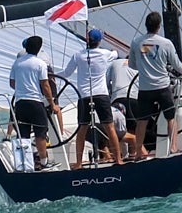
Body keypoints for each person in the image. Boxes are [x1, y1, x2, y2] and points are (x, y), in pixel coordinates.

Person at [63, 26, 121, 165]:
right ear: (99, 41)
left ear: (87, 40)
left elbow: (66, 73)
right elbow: (116, 53)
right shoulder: (105, 54)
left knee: (82, 129)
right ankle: (118, 159)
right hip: (101, 95)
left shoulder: (78, 55)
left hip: (84, 96)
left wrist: (50, 76)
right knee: (109, 126)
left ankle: (78, 163)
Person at [130, 11, 180, 158]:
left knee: (142, 121)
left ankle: (139, 151)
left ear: (146, 25)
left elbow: (132, 65)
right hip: (163, 87)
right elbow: (177, 65)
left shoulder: (136, 42)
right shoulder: (166, 43)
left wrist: (146, 67)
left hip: (145, 89)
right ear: (159, 26)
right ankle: (174, 147)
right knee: (171, 117)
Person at [8, 34, 59, 169]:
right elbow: (45, 85)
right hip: (35, 102)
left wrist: (22, 89)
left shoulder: (17, 63)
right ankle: (44, 162)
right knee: (40, 134)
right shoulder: (40, 64)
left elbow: (12, 83)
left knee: (23, 135)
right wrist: (52, 103)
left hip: (20, 103)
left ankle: (23, 164)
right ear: (39, 48)